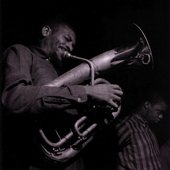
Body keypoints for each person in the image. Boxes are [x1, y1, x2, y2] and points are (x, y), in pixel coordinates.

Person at [1, 17, 123, 170]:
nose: (71, 47)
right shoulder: (21, 52)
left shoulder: (59, 72)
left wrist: (96, 112)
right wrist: (86, 92)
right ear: (46, 31)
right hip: (35, 161)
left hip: (71, 162)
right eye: (67, 39)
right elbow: (14, 99)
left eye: (73, 44)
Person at [112, 87, 168, 170]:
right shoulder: (127, 125)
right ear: (147, 105)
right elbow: (108, 153)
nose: (161, 116)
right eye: (159, 111)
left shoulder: (149, 129)